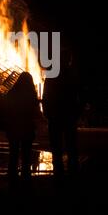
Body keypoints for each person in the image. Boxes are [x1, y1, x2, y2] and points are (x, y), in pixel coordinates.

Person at [43, 48, 80, 177]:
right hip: (68, 115)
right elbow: (77, 95)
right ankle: (73, 172)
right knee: (71, 145)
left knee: (56, 146)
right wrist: (76, 112)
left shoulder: (52, 74)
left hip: (56, 116)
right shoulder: (71, 75)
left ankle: (58, 173)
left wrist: (47, 113)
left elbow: (46, 96)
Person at [4, 72, 39, 184]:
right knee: (26, 154)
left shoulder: (12, 93)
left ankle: (12, 176)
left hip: (14, 127)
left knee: (13, 153)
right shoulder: (31, 95)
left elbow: (7, 110)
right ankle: (26, 177)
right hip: (27, 128)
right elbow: (35, 111)